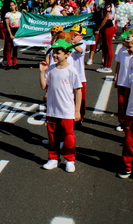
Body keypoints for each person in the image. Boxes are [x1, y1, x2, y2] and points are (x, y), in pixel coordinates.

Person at [39, 38, 82, 173]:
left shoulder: (72, 71)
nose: (55, 55)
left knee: (68, 136)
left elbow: (78, 90)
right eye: (54, 53)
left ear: (67, 54)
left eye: (58, 53)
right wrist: (42, 72)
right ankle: (53, 158)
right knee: (52, 135)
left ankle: (69, 159)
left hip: (67, 110)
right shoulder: (51, 69)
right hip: (52, 109)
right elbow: (44, 86)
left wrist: (77, 111)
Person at [118, 41, 133, 181]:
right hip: (131, 113)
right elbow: (127, 92)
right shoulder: (132, 74)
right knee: (128, 142)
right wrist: (123, 108)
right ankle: (127, 166)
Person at [114, 30, 133, 131]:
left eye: (130, 46)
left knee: (130, 103)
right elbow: (118, 64)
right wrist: (116, 76)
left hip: (132, 83)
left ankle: (130, 125)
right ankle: (122, 122)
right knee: (121, 102)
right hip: (122, 81)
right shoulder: (122, 51)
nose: (127, 48)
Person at [70, 25, 88, 124]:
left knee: (80, 98)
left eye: (75, 34)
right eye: (71, 33)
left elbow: (80, 50)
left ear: (81, 36)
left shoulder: (82, 44)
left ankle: (80, 117)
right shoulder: (68, 43)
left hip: (80, 76)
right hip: (69, 75)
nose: (72, 36)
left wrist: (71, 43)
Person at [96, 0, 117, 73]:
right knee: (104, 46)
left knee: (108, 46)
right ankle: (105, 64)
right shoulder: (110, 5)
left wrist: (99, 28)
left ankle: (108, 65)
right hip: (107, 26)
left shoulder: (108, 5)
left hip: (108, 27)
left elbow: (105, 18)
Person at [4, 1, 21, 70]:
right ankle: (8, 64)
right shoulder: (8, 14)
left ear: (15, 6)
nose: (11, 7)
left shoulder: (19, 14)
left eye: (12, 5)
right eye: (10, 6)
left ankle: (15, 63)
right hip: (10, 31)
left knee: (15, 48)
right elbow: (7, 25)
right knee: (8, 48)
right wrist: (10, 34)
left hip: (17, 31)